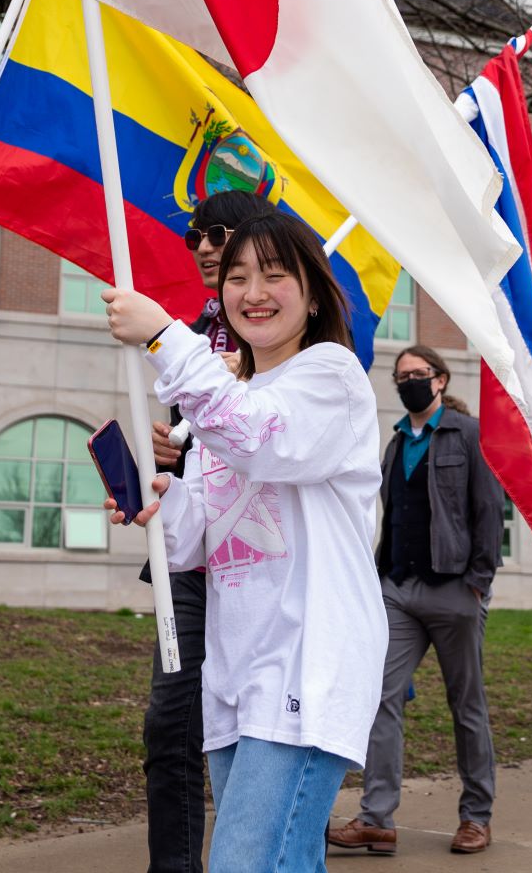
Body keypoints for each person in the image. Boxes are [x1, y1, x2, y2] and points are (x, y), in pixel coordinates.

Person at [103, 213, 386, 873]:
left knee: (244, 863)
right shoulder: (227, 404)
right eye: (237, 277)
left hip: (307, 661)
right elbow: (194, 542)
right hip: (235, 675)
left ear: (313, 295)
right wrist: (157, 501)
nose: (253, 291)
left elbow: (263, 440)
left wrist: (166, 340)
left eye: (274, 275)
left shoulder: (331, 375)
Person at [327, 345, 505, 857]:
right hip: (398, 591)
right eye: (401, 376)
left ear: (441, 380)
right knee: (380, 697)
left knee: (465, 704)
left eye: (419, 375)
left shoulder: (467, 435)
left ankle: (476, 817)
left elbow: (488, 508)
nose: (409, 382)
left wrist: (479, 579)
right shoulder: (394, 442)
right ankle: (376, 819)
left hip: (455, 589)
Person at [141, 189, 270, 873]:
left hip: (261, 560)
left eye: (218, 232)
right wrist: (168, 451)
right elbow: (189, 440)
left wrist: (242, 381)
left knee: (261, 730)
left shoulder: (283, 333)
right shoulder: (190, 334)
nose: (205, 247)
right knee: (171, 722)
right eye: (196, 236)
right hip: (191, 555)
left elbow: (283, 435)